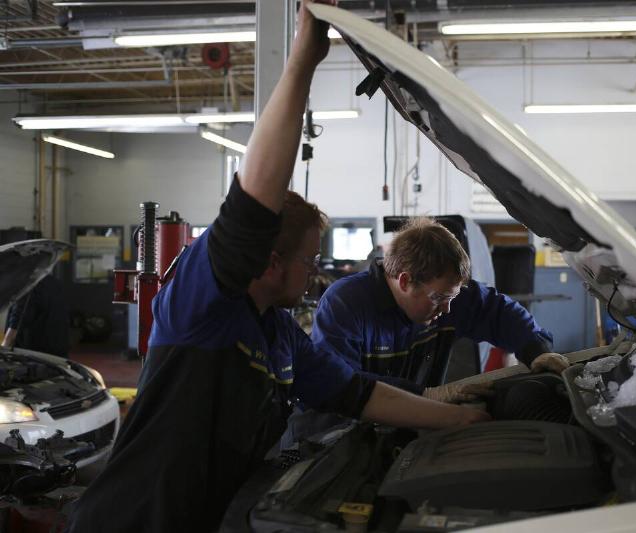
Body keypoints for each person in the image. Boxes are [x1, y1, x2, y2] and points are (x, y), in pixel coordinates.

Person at [65, 3, 487, 532]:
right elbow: (251, 206)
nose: (315, 274)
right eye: (309, 260)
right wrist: (303, 61)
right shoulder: (205, 306)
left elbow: (357, 394)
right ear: (269, 261)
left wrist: (457, 416)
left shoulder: (280, 335)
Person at [282, 217, 568, 446]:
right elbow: (342, 385)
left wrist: (537, 351)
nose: (447, 309)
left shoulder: (447, 296)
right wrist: (427, 395)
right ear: (405, 281)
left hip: (398, 432)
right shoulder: (346, 303)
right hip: (324, 439)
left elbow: (499, 311)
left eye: (452, 297)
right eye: (439, 298)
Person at [2, 273, 70, 358]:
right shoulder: (54, 282)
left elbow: (16, 322)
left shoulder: (27, 285)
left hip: (35, 354)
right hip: (58, 349)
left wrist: (4, 348)